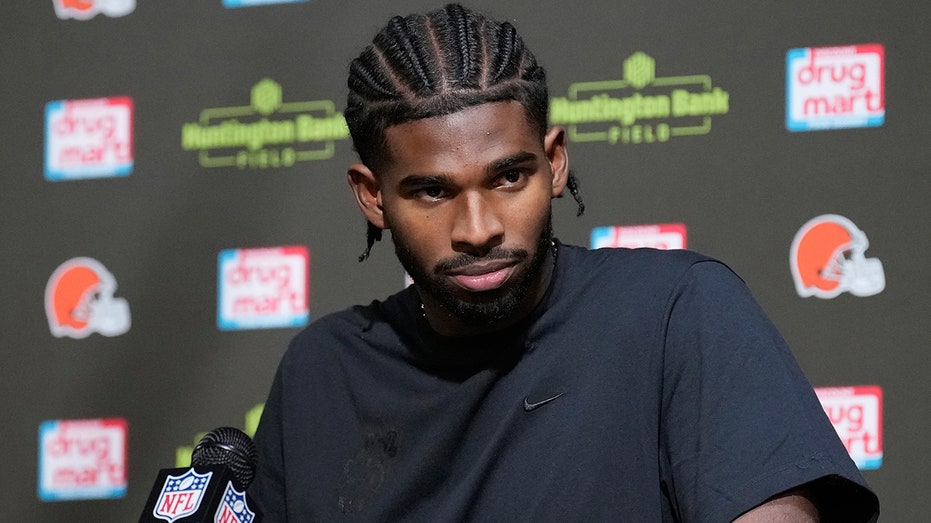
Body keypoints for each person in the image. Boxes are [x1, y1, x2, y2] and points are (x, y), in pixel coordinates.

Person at [249, 4, 880, 521]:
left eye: (509, 177)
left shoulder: (676, 313)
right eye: (433, 192)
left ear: (554, 164)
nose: (479, 230)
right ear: (372, 196)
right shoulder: (321, 372)